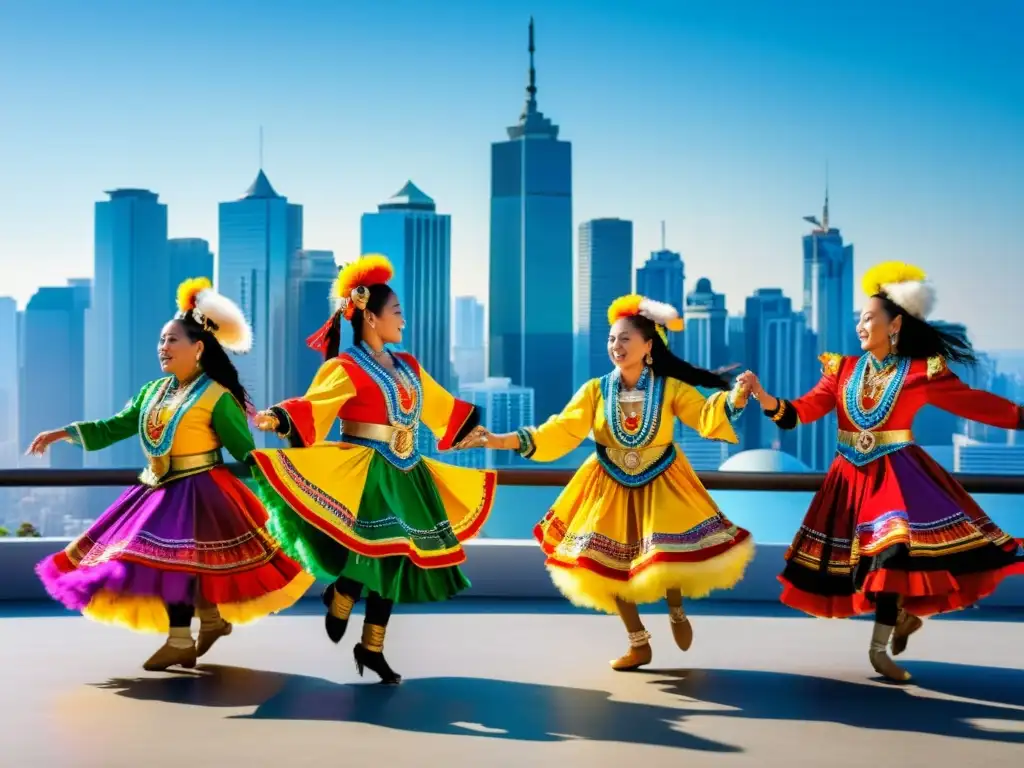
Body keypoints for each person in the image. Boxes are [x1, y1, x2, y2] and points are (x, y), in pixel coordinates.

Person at [737, 261, 1024, 683]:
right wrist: (764, 397)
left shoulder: (920, 372)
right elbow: (801, 412)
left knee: (892, 553)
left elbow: (979, 405)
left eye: (868, 317)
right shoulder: (842, 370)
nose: (859, 324)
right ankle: (903, 617)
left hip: (898, 476)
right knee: (865, 566)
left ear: (895, 325)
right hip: (848, 479)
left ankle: (878, 650)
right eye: (859, 318)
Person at [29, 278, 314, 671]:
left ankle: (182, 639)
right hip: (155, 490)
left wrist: (286, 480)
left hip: (202, 491)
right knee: (171, 563)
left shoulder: (217, 395)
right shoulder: (152, 391)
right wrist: (62, 433)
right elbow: (115, 426)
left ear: (198, 348)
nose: (163, 347)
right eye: (162, 340)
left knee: (178, 563)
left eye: (172, 340)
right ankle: (209, 621)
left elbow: (243, 450)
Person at [465, 294, 755, 671]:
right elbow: (561, 430)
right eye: (611, 340)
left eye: (624, 339)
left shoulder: (670, 388)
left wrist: (735, 398)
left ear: (648, 346)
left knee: (666, 552)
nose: (615, 346)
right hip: (608, 483)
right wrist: (500, 439)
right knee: (606, 565)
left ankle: (676, 605)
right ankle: (638, 643)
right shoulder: (595, 390)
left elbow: (703, 414)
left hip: (662, 478)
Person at [248, 254, 495, 685]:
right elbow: (315, 406)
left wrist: (471, 430)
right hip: (368, 472)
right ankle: (343, 591)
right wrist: (279, 416)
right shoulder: (344, 368)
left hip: (408, 470)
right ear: (371, 317)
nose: (403, 319)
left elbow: (440, 405)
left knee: (396, 560)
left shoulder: (409, 367)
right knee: (376, 552)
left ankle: (371, 646)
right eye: (396, 312)